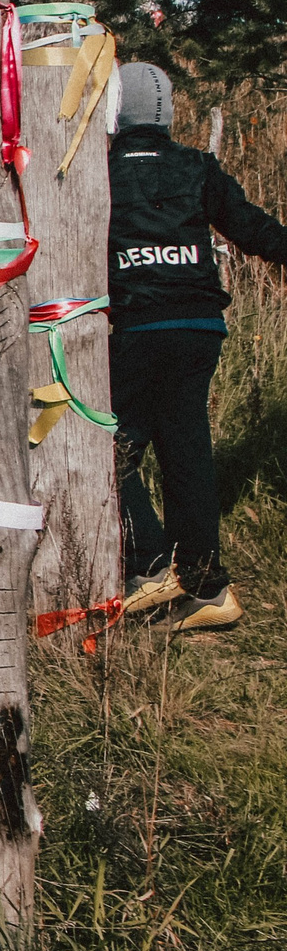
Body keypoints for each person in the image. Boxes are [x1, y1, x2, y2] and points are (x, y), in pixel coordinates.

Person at [108, 62, 287, 632]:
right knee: (186, 448)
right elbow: (254, 229)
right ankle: (206, 587)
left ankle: (153, 565)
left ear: (113, 110)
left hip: (135, 329)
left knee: (110, 450)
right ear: (169, 113)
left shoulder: (99, 171)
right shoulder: (198, 166)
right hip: (198, 327)